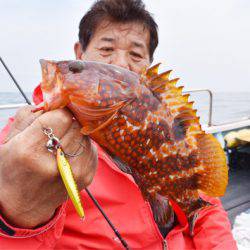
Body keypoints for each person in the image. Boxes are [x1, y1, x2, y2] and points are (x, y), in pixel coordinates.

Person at [0, 0, 237, 249]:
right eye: (106, 49)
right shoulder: (22, 142)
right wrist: (14, 215)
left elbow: (206, 210)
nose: (121, 64)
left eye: (136, 54)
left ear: (149, 64)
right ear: (80, 53)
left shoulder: (165, 119)